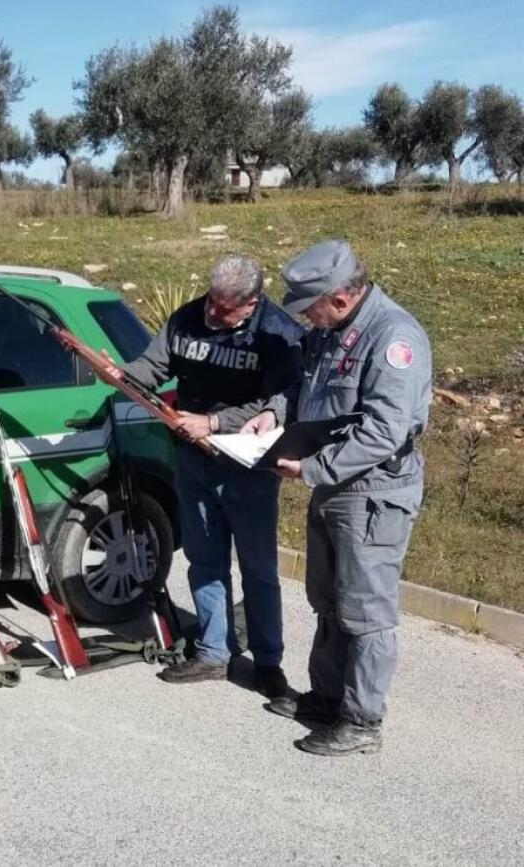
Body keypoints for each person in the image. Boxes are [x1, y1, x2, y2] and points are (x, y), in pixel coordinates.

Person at [248, 239, 431, 756]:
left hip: (373, 492)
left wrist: (311, 468)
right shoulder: (330, 333)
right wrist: (275, 415)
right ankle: (327, 698)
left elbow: (384, 431)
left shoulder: (393, 337)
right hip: (332, 485)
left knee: (366, 610)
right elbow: (303, 390)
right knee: (327, 599)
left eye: (310, 307)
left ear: (342, 299)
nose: (306, 318)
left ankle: (361, 720)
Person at [119, 255, 303, 696]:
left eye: (224, 309)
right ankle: (212, 652)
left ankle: (267, 661)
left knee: (258, 568)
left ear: (252, 302)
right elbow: (152, 366)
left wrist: (215, 423)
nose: (212, 313)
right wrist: (122, 375)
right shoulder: (187, 317)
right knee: (204, 560)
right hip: (192, 461)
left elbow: (280, 403)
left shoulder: (278, 333)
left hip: (247, 467)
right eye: (211, 301)